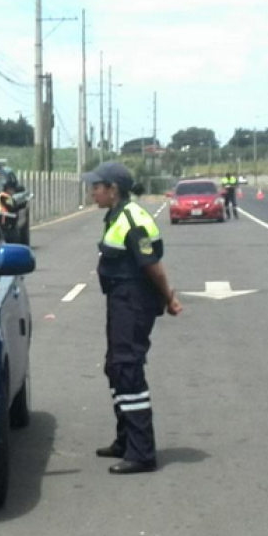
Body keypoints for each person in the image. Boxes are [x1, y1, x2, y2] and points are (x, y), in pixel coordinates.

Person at [83, 162, 183, 475]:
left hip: (134, 301)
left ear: (113, 189)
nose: (92, 192)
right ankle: (125, 440)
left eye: (97, 187)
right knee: (115, 366)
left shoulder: (132, 219)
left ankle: (142, 453)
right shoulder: (115, 215)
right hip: (120, 299)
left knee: (127, 368)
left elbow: (153, 265)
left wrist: (169, 297)